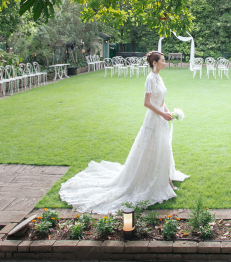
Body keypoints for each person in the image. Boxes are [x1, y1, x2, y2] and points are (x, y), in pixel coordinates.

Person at [59, 51, 188, 213]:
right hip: (154, 119)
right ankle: (150, 179)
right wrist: (162, 114)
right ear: (154, 63)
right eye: (162, 60)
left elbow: (161, 99)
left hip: (161, 118)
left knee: (163, 146)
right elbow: (147, 103)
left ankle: (165, 179)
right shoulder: (150, 79)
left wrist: (168, 112)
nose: (164, 62)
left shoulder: (159, 77)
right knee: (151, 148)